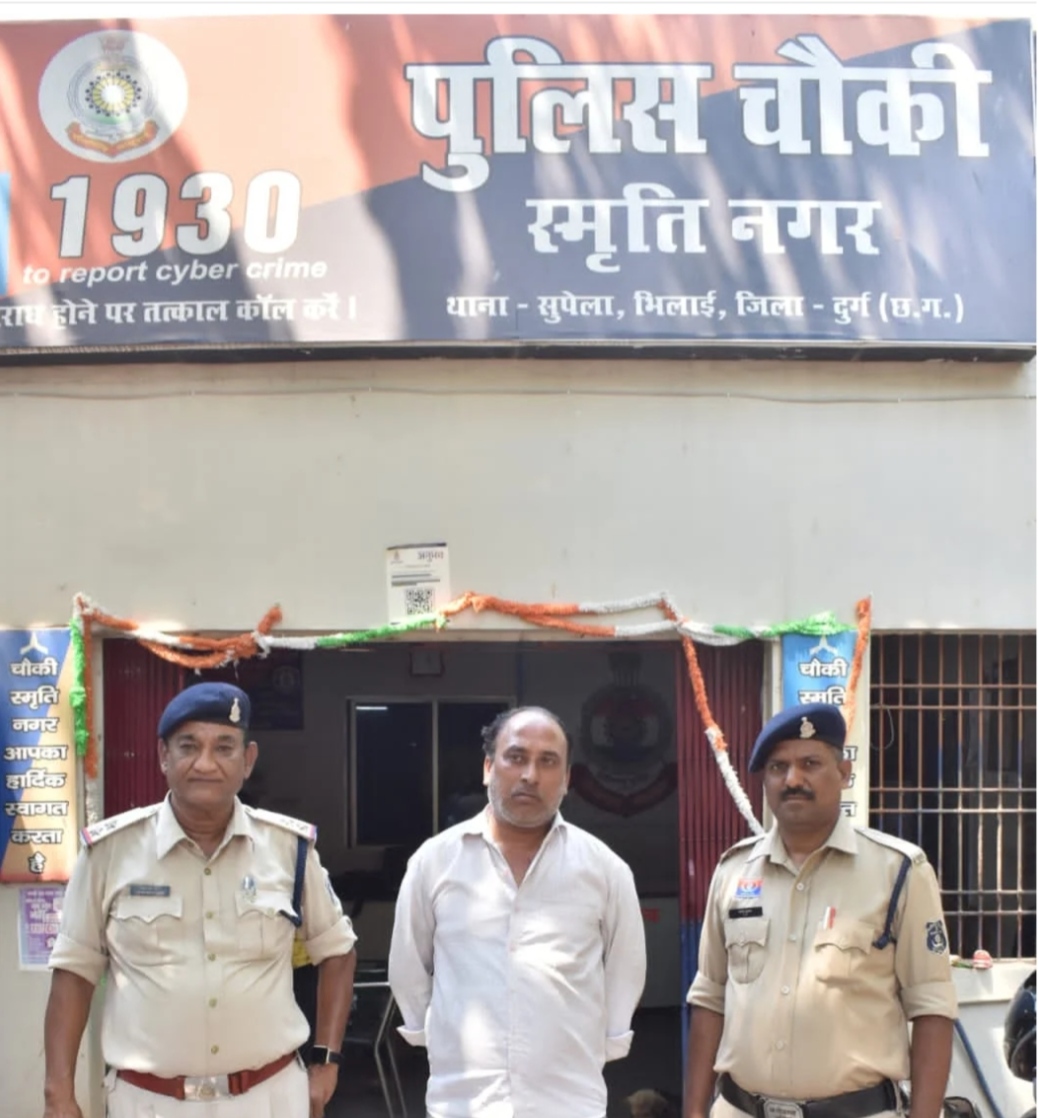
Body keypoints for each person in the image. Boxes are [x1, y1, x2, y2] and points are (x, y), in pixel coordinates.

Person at [43, 682, 358, 1118]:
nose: (205, 764)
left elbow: (337, 950)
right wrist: (58, 1094)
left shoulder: (289, 849)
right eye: (188, 746)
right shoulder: (110, 853)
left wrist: (326, 1060)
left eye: (224, 748)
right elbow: (74, 973)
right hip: (148, 1103)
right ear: (163, 756)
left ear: (247, 760)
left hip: (270, 1098)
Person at [685, 702, 958, 1118]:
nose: (793, 780)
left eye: (810, 764)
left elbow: (932, 1008)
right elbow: (710, 999)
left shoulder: (899, 871)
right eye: (777, 767)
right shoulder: (732, 871)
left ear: (844, 773)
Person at [389, 705, 647, 1118]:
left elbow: (625, 969)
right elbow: (409, 968)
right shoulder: (434, 863)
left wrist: (602, 1040)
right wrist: (438, 1036)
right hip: (463, 1103)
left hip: (568, 1103)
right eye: (516, 757)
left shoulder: (603, 869)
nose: (530, 775)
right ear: (488, 767)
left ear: (566, 779)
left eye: (548, 762)